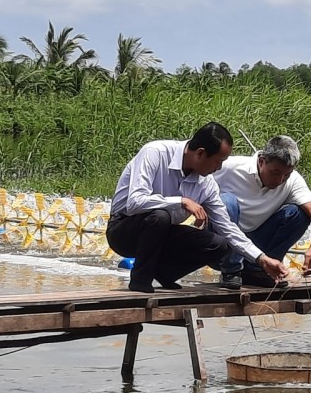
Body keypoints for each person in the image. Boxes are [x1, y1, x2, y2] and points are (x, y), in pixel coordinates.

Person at [106, 122, 288, 293]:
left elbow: (228, 228)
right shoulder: (155, 153)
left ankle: (164, 273)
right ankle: (140, 282)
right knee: (160, 216)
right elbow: (135, 202)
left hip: (161, 235)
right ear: (200, 153)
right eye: (218, 161)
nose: (219, 168)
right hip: (124, 230)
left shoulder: (206, 184)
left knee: (218, 244)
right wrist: (180, 201)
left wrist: (262, 259)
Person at [213, 135, 311, 288]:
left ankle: (261, 270)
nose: (280, 180)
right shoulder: (229, 168)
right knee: (227, 202)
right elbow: (195, 182)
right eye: (275, 173)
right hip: (220, 243)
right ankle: (230, 271)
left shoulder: (293, 181)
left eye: (286, 175)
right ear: (261, 161)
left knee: (298, 214)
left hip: (256, 240)